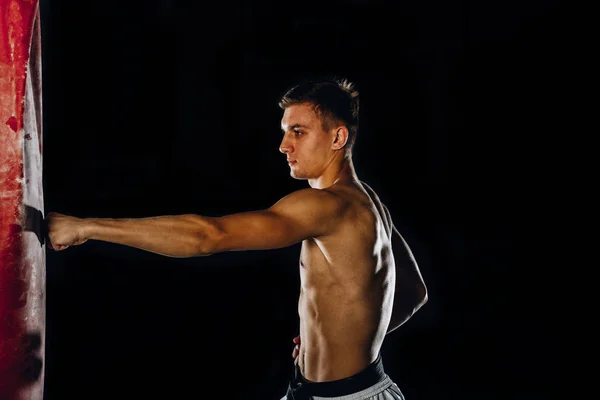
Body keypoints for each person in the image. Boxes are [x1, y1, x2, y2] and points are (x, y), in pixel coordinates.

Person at [47, 77, 428, 400]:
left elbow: (208, 236)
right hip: (325, 389)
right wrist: (346, 344)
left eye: (298, 132)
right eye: (284, 132)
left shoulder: (325, 206)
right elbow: (413, 292)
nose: (284, 146)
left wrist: (85, 227)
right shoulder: (369, 200)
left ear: (338, 137)